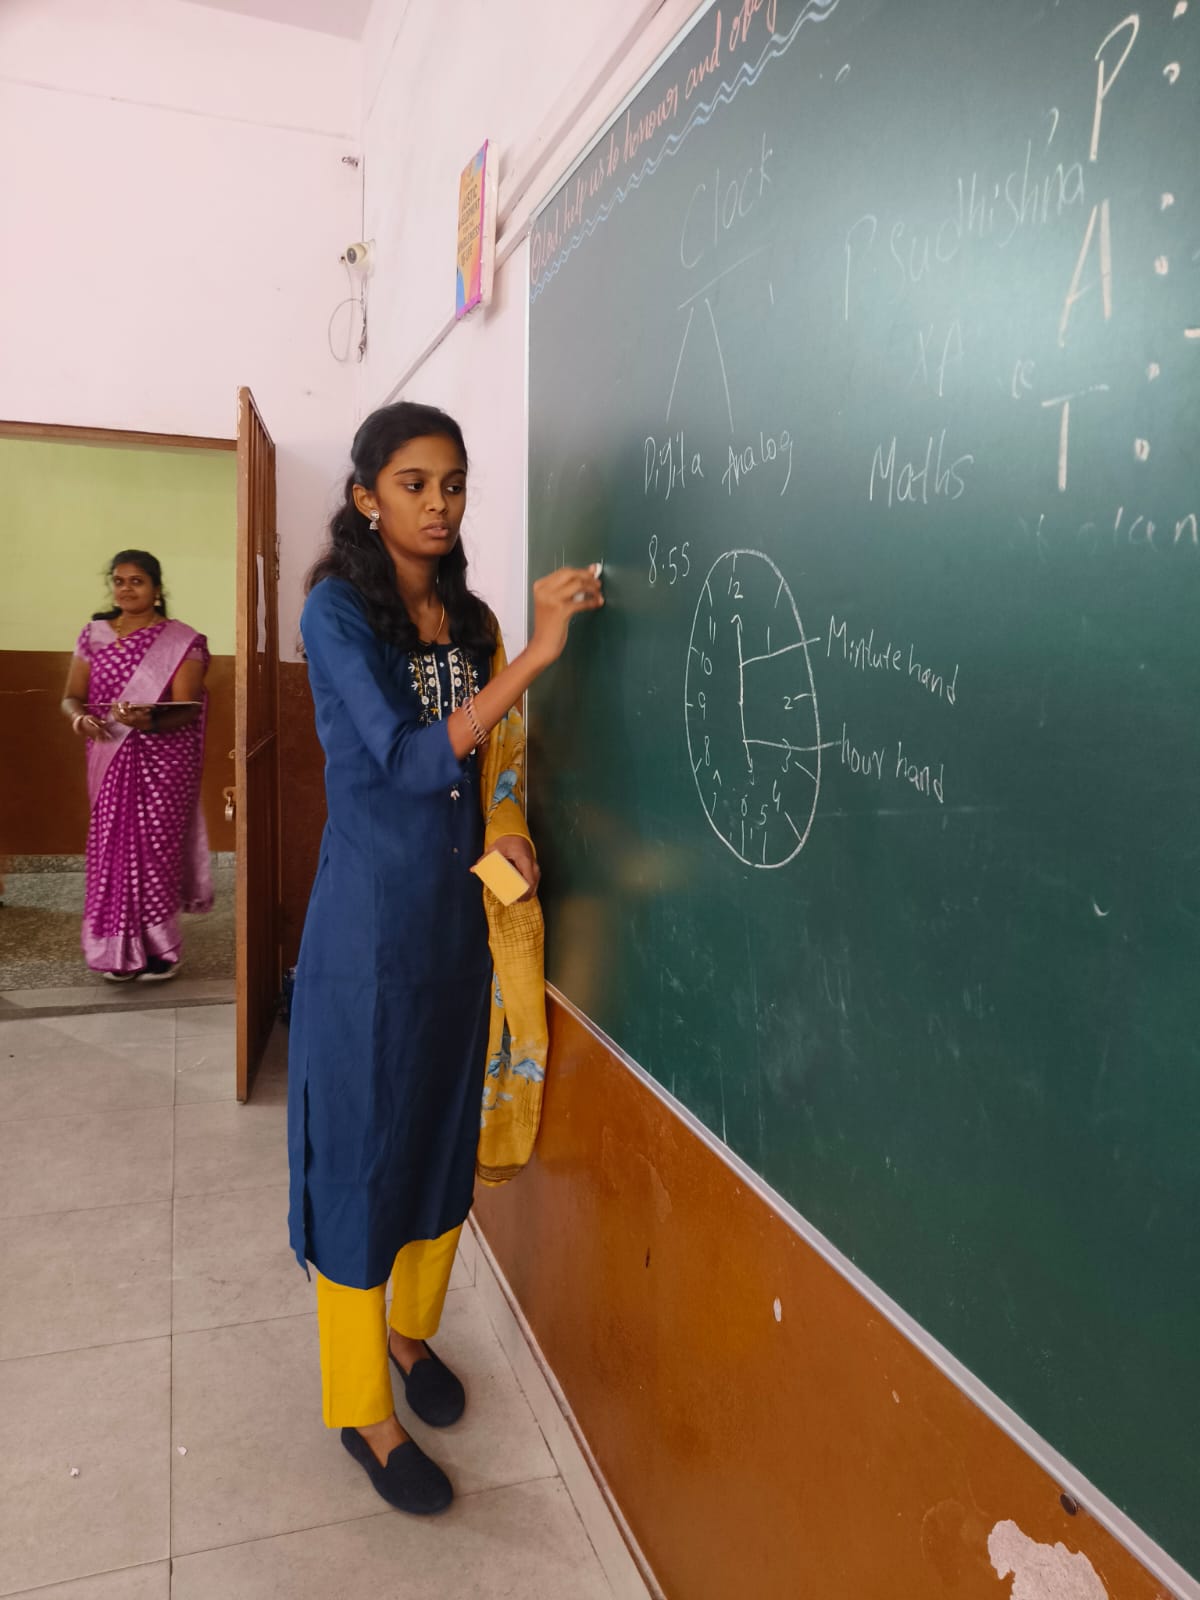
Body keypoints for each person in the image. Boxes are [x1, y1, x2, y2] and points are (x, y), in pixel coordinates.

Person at [288, 401, 603, 1517]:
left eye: (454, 483)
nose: (439, 504)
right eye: (413, 483)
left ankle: (410, 1335)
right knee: (362, 1160)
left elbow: (492, 767)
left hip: (458, 928)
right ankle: (361, 1409)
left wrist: (506, 823)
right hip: (370, 932)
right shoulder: (336, 610)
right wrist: (543, 655)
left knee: (435, 1142)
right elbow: (412, 761)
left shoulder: (470, 622)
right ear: (366, 496)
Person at [61, 550, 213, 981]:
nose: (126, 589)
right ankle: (114, 949)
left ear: (157, 589)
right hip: (108, 756)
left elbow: (187, 707)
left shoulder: (181, 640)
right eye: (119, 580)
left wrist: (148, 720)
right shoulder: (93, 635)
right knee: (111, 850)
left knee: (154, 851)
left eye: (137, 581)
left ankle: (159, 948)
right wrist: (79, 719)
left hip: (163, 762)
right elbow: (71, 696)